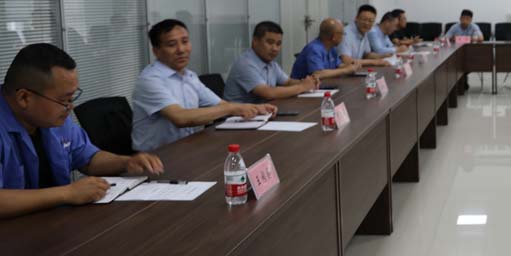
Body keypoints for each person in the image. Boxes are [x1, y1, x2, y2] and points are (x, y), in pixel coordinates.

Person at [0, 44, 164, 219]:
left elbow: (89, 158)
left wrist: (126, 162)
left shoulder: (52, 118)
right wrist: (67, 193)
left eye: (72, 97)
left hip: (54, 222)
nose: (70, 107)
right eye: (64, 100)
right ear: (24, 98)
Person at [132, 20, 276, 152]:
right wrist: (233, 108)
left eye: (185, 41)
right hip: (155, 158)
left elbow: (222, 105)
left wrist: (255, 108)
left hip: (187, 148)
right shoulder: (150, 80)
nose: (181, 49)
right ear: (156, 51)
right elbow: (180, 117)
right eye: (171, 45)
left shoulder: (189, 76)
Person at [224, 21, 319, 103]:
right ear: (255, 41)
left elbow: (287, 82)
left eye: (278, 44)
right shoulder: (245, 64)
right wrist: (302, 87)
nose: (275, 49)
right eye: (270, 42)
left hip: (260, 112)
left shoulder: (271, 63)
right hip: (237, 116)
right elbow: (269, 93)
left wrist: (309, 82)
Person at [291, 19, 360, 80]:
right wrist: (346, 70)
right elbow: (318, 74)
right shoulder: (314, 49)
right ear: (334, 37)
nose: (343, 37)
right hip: (302, 88)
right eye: (342, 34)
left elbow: (338, 65)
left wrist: (351, 66)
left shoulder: (331, 48)